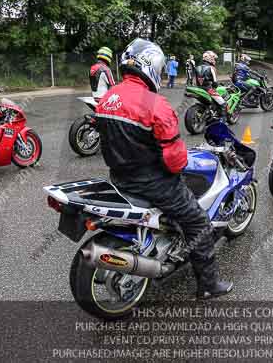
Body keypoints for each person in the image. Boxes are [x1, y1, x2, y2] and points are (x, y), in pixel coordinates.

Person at [95, 38, 233, 300]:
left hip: (119, 178)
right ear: (150, 67)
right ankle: (208, 285)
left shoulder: (108, 98)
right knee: (198, 222)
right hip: (153, 183)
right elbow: (175, 161)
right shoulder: (156, 104)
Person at [196, 51, 227, 120]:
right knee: (223, 104)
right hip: (209, 90)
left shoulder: (197, 67)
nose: (214, 60)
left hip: (199, 89)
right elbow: (215, 83)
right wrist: (215, 86)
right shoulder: (211, 68)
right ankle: (223, 120)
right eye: (213, 58)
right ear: (210, 58)